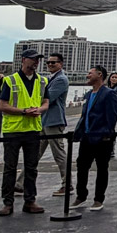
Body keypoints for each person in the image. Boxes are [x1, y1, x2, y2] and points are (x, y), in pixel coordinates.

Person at [0, 50, 50, 216]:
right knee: (10, 168)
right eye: (33, 59)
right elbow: (2, 105)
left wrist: (39, 110)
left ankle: (30, 200)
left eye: (37, 60)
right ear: (23, 60)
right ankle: (8, 202)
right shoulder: (10, 80)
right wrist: (23, 112)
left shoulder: (42, 81)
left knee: (31, 168)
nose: (36, 63)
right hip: (13, 130)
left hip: (33, 129)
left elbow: (46, 102)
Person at [73, 67, 117, 210]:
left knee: (102, 169)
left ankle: (98, 199)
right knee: (82, 167)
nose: (87, 75)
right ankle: (81, 196)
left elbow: (112, 116)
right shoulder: (89, 94)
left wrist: (107, 134)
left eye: (90, 73)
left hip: (102, 138)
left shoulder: (109, 94)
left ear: (99, 75)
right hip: (87, 137)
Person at [42, 54, 72, 196]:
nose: (50, 65)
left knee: (59, 154)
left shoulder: (61, 79)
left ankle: (68, 185)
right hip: (44, 120)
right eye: (48, 62)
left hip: (54, 121)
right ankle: (20, 184)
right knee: (34, 154)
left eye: (53, 63)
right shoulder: (50, 78)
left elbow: (48, 97)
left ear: (61, 64)